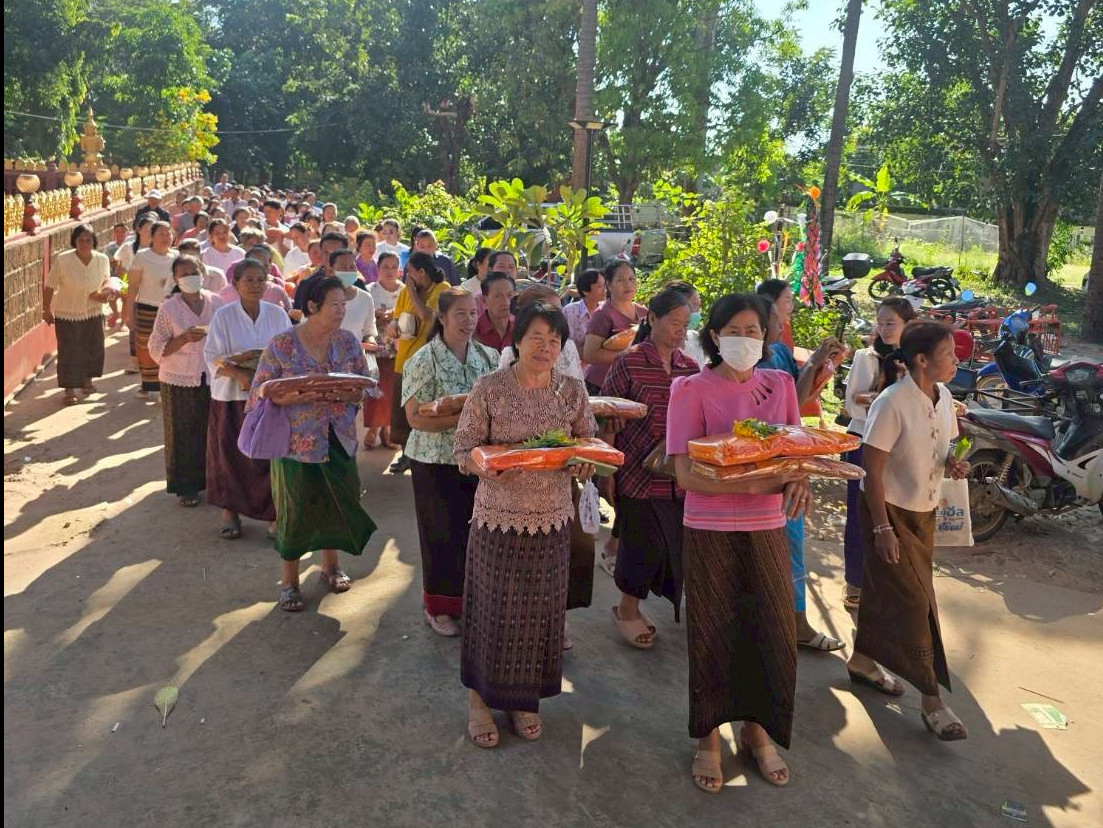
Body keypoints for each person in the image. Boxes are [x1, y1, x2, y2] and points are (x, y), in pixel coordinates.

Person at [666, 293, 810, 794]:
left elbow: (797, 452)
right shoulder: (690, 389)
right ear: (713, 335)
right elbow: (685, 472)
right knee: (711, 630)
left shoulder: (781, 385)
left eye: (755, 331)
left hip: (767, 526)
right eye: (736, 330)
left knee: (769, 629)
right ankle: (707, 738)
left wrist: (799, 480)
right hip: (708, 526)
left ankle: (756, 730)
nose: (746, 340)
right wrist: (753, 484)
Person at [453, 302, 598, 748]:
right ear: (517, 342)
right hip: (498, 519)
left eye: (554, 340)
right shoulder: (490, 388)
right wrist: (486, 466)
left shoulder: (572, 391)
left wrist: (584, 464)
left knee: (538, 613)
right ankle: (480, 699)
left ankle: (522, 698)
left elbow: (588, 442)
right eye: (537, 337)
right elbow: (463, 450)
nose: (546, 346)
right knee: (491, 610)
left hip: (552, 521)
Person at [846, 321, 970, 742]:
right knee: (918, 603)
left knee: (886, 593)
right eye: (949, 353)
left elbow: (944, 446)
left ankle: (862, 660)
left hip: (924, 513)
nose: (956, 360)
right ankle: (932, 699)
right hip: (888, 512)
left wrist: (952, 462)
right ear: (921, 360)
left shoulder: (946, 396)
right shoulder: (892, 402)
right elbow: (871, 471)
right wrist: (881, 528)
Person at [248, 276, 378, 613]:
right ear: (310, 308)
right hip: (295, 441)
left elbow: (362, 387)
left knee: (338, 499)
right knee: (295, 506)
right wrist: (292, 394)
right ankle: (289, 583)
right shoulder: (281, 345)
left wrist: (350, 392)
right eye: (334, 304)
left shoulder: (349, 342)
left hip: (338, 436)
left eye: (343, 304)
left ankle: (330, 567)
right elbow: (259, 391)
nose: (341, 310)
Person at [601, 288, 698, 648]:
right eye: (674, 323)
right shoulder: (628, 362)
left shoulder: (690, 367)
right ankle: (627, 609)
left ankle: (641, 603)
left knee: (671, 545)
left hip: (679, 475)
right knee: (640, 544)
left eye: (685, 325)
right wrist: (606, 471)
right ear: (652, 319)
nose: (680, 332)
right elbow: (608, 419)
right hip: (635, 473)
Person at [402, 288, 500, 635]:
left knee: (475, 533)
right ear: (441, 318)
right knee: (439, 533)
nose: (469, 321)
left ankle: (473, 601)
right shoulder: (422, 360)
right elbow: (415, 418)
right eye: (460, 314)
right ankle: (438, 607)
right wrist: (466, 421)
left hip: (476, 460)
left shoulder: (488, 357)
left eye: (473, 313)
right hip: (434, 460)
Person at [757, 299, 848, 652]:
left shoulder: (778, 351)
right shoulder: (757, 365)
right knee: (782, 546)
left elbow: (801, 396)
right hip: (772, 465)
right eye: (779, 315)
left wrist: (821, 365)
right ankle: (791, 624)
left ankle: (794, 621)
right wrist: (813, 361)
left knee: (790, 544)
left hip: (791, 459)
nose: (784, 322)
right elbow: (788, 404)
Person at [203, 259, 292, 540]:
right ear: (235, 284)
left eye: (260, 280)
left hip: (269, 396)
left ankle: (274, 514)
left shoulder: (277, 315)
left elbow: (290, 350)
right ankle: (231, 512)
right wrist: (239, 372)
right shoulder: (224, 316)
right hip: (231, 396)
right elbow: (212, 355)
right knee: (231, 454)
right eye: (248, 280)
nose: (255, 285)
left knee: (269, 455)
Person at [841, 296, 917, 609]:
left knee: (894, 514)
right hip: (863, 441)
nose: (884, 329)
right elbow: (850, 402)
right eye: (881, 322)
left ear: (908, 326)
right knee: (861, 515)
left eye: (892, 323)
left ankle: (889, 579)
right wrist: (881, 401)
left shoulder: (916, 359)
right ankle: (855, 583)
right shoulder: (866, 357)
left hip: (900, 446)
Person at [148, 257, 224, 507]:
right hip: (178, 378)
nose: (191, 277)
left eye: (194, 272)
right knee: (182, 432)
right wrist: (183, 339)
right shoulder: (168, 308)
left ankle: (212, 481)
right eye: (184, 274)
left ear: (203, 273)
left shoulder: (217, 302)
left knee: (212, 430)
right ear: (176, 279)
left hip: (212, 376)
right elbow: (156, 348)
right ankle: (186, 487)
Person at [388, 251, 450, 472]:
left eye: (410, 273)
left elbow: (427, 315)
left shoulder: (442, 290)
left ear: (421, 272)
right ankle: (405, 455)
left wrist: (413, 291)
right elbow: (396, 317)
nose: (407, 278)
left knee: (424, 412)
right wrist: (393, 326)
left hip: (428, 363)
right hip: (404, 361)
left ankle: (423, 459)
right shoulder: (406, 292)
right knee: (401, 413)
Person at [42, 224, 115, 405]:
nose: (84, 243)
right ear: (74, 241)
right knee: (69, 351)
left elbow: (107, 281)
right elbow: (50, 285)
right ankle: (69, 390)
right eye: (80, 240)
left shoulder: (102, 259)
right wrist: (46, 309)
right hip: (67, 313)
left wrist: (105, 294)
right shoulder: (63, 260)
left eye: (88, 240)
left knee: (94, 347)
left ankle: (87, 382)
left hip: (94, 311)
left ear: (94, 241)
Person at [126, 221, 178, 397]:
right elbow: (132, 287)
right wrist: (128, 314)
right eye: (161, 234)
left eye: (168, 234)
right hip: (147, 308)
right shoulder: (142, 256)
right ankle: (148, 384)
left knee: (169, 346)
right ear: (152, 237)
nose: (165, 237)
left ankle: (166, 383)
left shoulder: (177, 257)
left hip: (171, 308)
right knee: (146, 347)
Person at [582, 260, 648, 394]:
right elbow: (589, 354)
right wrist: (629, 356)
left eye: (631, 279)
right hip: (601, 386)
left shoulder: (645, 313)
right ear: (609, 285)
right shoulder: (603, 314)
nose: (627, 284)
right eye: (620, 280)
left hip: (632, 386)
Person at [363, 252, 404, 449]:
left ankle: (387, 431)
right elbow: (365, 315)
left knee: (392, 391)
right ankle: (373, 427)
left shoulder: (405, 291)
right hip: (375, 347)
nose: (390, 271)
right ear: (378, 269)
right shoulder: (369, 291)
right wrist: (378, 314)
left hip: (397, 349)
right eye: (385, 267)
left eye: (393, 266)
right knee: (375, 389)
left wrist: (394, 315)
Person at [327, 249, 378, 344]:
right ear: (331, 270)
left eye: (351, 267)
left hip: (355, 356)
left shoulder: (365, 298)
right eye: (342, 267)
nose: (348, 271)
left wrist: (371, 342)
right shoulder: (318, 296)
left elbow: (368, 332)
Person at [293, 231, 349, 310]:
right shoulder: (307, 285)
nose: (330, 258)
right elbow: (297, 317)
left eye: (336, 253)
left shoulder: (356, 284)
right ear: (321, 253)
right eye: (326, 253)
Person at [563, 268, 606, 358]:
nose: (604, 290)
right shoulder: (570, 311)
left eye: (604, 286)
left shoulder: (606, 309)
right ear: (586, 291)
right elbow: (564, 346)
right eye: (599, 286)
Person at [665, 280, 705, 365]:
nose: (698, 311)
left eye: (699, 306)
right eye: (694, 305)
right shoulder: (661, 343)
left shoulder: (695, 338)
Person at [474, 271, 515, 351]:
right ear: (484, 300)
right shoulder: (473, 331)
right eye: (498, 296)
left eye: (509, 295)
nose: (506, 302)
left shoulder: (521, 327)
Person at [755, 278, 797, 350]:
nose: (792, 307)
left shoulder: (785, 327)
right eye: (788, 301)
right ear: (770, 302)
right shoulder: (754, 334)